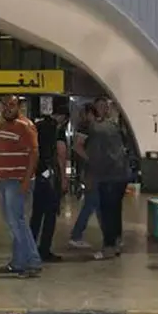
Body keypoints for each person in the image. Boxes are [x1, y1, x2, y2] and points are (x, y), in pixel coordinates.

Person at [0, 95, 41, 278]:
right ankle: (19, 262)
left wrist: (27, 180)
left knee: (16, 222)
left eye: (11, 105)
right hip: (5, 179)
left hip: (17, 180)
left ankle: (33, 261)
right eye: (4, 105)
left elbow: (34, 154)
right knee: (13, 222)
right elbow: (1, 150)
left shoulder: (25, 126)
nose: (7, 108)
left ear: (19, 106)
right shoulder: (4, 125)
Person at [76, 97, 131, 260]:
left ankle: (109, 246)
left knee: (107, 211)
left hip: (106, 175)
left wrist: (91, 162)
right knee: (114, 210)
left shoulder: (92, 127)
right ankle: (115, 243)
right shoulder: (115, 126)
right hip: (120, 173)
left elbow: (78, 146)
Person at [30, 98, 70, 262]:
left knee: (37, 214)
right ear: (63, 117)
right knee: (50, 215)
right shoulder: (57, 130)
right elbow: (61, 155)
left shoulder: (38, 126)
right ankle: (44, 250)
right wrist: (64, 177)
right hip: (52, 176)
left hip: (40, 175)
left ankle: (30, 248)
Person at [68, 103, 101, 248]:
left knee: (97, 204)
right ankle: (76, 235)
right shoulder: (86, 128)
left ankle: (110, 237)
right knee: (91, 203)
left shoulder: (89, 127)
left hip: (92, 172)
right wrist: (92, 159)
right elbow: (77, 146)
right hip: (91, 172)